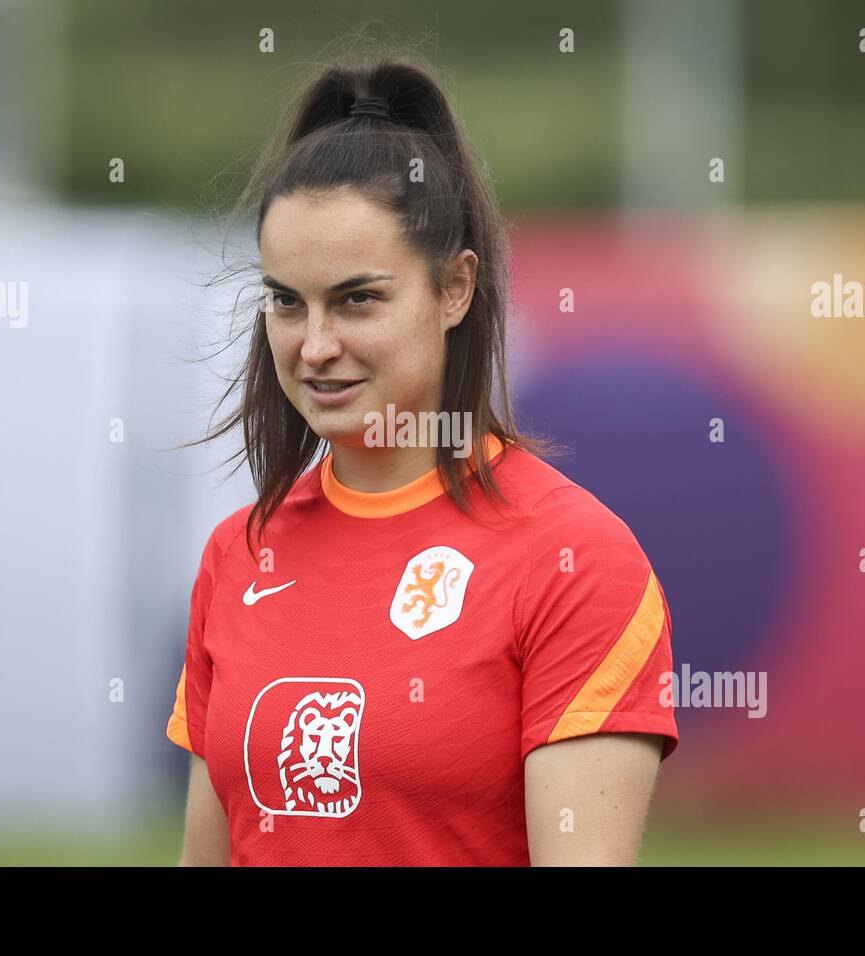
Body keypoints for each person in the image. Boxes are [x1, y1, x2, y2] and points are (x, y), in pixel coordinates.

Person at [165, 54, 678, 866]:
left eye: (358, 298)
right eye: (286, 302)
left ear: (455, 289)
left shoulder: (576, 559)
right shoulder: (238, 554)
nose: (317, 345)